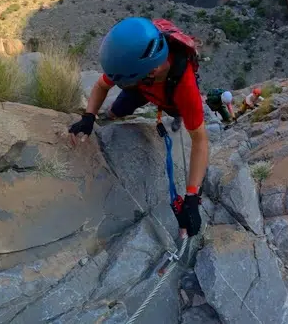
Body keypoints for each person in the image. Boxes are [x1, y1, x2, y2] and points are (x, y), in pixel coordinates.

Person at [68, 17, 209, 239]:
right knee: (118, 109)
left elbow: (200, 141)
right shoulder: (137, 59)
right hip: (144, 89)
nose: (119, 84)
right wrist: (89, 117)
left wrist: (192, 197)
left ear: (149, 72)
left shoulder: (185, 90)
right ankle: (113, 115)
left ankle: (177, 118)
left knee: (178, 112)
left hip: (169, 97)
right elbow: (102, 85)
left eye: (123, 82)